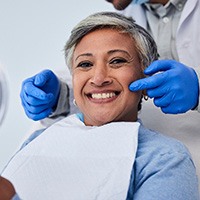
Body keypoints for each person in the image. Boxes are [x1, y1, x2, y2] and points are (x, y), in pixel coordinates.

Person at [1, 12, 199, 199]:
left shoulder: (165, 160)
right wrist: (62, 96)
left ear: (145, 79)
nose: (98, 78)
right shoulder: (38, 141)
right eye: (85, 64)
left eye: (117, 61)